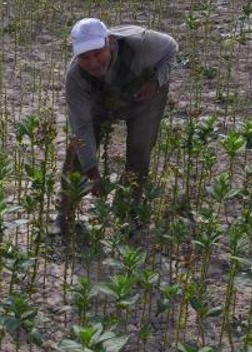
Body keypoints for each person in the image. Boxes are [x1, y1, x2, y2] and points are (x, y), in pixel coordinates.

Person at [58, 17, 177, 234]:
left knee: (139, 151)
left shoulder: (140, 42)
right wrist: (92, 172)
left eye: (97, 53)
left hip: (144, 98)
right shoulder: (75, 77)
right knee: (78, 151)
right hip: (101, 101)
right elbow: (81, 127)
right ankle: (65, 213)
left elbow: (171, 48)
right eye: (84, 57)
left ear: (110, 42)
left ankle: (127, 211)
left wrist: (157, 81)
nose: (93, 63)